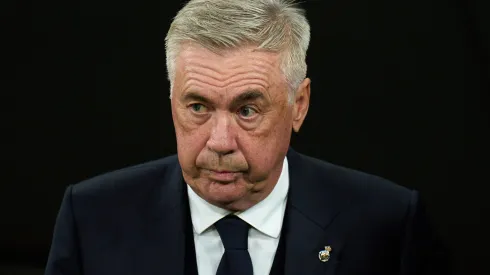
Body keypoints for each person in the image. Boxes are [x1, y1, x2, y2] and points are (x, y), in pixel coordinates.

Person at [45, 0, 446, 274]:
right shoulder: (93, 217)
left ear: (299, 105)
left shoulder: (386, 225)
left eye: (247, 110)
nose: (219, 141)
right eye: (198, 107)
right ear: (171, 102)